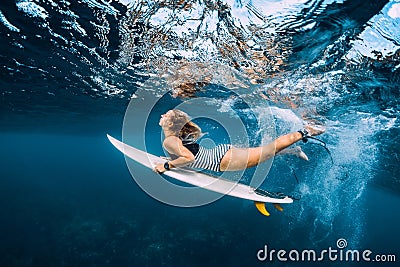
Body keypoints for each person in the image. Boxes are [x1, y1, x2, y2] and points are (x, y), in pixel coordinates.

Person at [154, 109, 325, 173]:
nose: (162, 116)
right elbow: (188, 155)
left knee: (269, 150)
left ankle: (306, 131)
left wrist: (167, 166)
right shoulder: (174, 139)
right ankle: (293, 151)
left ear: (170, 123)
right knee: (265, 151)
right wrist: (173, 161)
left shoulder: (169, 141)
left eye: (165, 115)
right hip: (222, 154)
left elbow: (189, 158)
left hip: (223, 159)